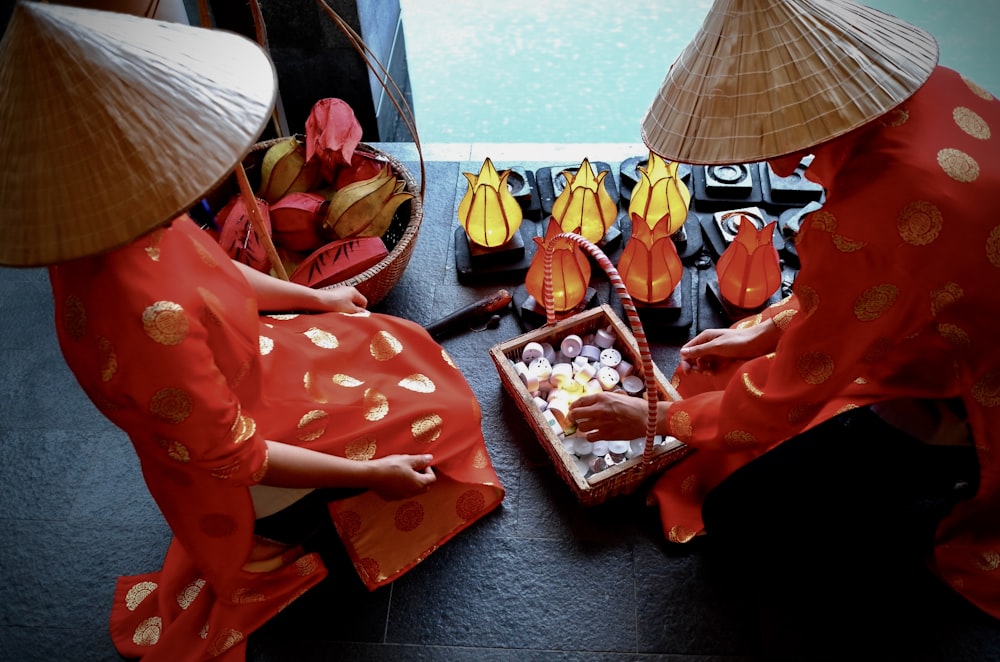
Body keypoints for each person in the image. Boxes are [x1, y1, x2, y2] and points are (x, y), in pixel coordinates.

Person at [0, 4, 503, 661]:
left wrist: (312, 297)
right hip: (238, 440)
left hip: (248, 365)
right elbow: (240, 455)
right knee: (449, 408)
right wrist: (378, 471)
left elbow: (222, 280)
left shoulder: (109, 235)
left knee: (394, 339)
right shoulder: (151, 319)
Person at [569, 0, 1000, 637]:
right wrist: (767, 328)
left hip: (982, 379)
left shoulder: (872, 217)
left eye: (780, 140)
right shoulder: (939, 88)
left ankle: (945, 454)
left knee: (743, 515)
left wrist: (658, 418)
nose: (776, 165)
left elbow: (787, 396)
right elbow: (907, 271)